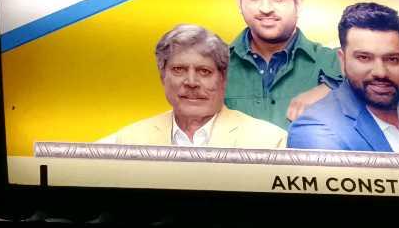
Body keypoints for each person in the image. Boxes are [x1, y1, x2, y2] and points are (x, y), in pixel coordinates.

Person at [225, 0, 399, 128]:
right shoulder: (216, 65)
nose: (265, 8)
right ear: (239, 0)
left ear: (298, 3)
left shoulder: (332, 60)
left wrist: (334, 89)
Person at [287, 3, 399, 154]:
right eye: (364, 58)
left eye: (392, 59)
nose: (380, 72)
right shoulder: (316, 128)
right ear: (343, 61)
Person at [106, 25, 289, 148]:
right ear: (163, 76)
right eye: (179, 69)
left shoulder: (269, 142)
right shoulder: (130, 140)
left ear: (223, 78)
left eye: (204, 71)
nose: (191, 82)